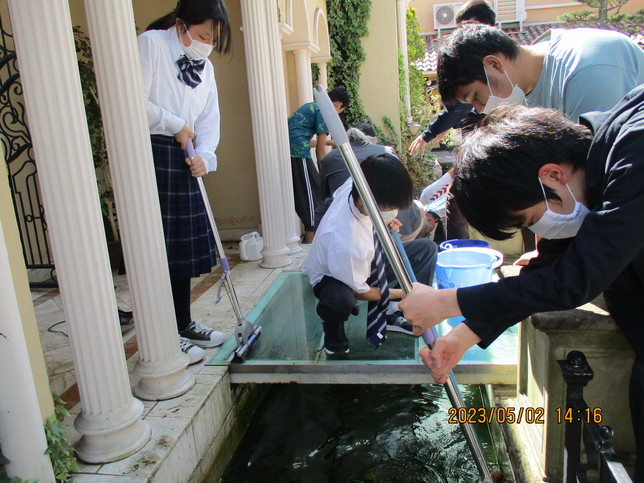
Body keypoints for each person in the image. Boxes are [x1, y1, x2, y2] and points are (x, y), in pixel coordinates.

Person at [399, 88, 644, 479]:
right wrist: (461, 338)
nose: (539, 232)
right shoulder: (593, 167)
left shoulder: (636, 150)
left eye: (529, 221)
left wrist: (448, 302)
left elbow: (575, 279)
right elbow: (550, 269)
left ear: (552, 175)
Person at [138, 0, 231, 364]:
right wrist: (175, 124)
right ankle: (162, 334)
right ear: (180, 25)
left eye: (213, 38)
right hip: (153, 151)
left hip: (186, 158)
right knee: (159, 250)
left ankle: (182, 323)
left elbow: (209, 119)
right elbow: (131, 101)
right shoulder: (152, 44)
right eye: (203, 35)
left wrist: (205, 158)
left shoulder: (205, 67)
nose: (208, 44)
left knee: (179, 252)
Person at [303, 153, 435, 355]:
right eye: (389, 208)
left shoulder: (357, 183)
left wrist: (384, 222)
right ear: (366, 202)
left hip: (368, 256)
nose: (394, 211)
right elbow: (360, 291)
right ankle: (334, 338)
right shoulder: (346, 241)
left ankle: (396, 311)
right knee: (340, 300)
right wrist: (406, 291)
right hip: (333, 275)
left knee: (426, 249)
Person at [437, 24, 644, 122]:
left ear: (494, 65)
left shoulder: (584, 70)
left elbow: (605, 166)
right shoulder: (525, 89)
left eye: (475, 97)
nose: (481, 109)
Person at [407, 0, 496, 158]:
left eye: (466, 26)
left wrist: (428, 134)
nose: (461, 34)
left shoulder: (477, 56)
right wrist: (448, 124)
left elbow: (461, 103)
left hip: (488, 138)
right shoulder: (495, 54)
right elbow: (461, 104)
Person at [288, 87, 350, 243]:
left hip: (293, 150)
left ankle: (311, 240)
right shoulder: (325, 111)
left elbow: (303, 138)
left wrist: (329, 141)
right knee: (311, 198)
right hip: (298, 153)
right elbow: (321, 149)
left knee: (311, 193)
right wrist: (325, 173)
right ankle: (310, 244)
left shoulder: (313, 106)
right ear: (338, 105)